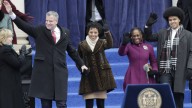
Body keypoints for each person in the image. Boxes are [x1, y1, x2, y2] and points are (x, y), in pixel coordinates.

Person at [3, 1, 88, 108]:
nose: (47, 23)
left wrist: (81, 64)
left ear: (56, 21)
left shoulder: (65, 33)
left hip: (60, 72)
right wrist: (11, 14)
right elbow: (24, 27)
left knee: (62, 104)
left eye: (50, 21)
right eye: (46, 20)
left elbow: (72, 51)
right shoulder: (40, 30)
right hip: (44, 73)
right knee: (46, 104)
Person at [144, 7, 192, 108]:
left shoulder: (188, 35)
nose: (172, 21)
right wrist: (148, 26)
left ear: (179, 20)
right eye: (170, 20)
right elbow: (148, 37)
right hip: (165, 70)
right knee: (165, 93)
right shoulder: (163, 32)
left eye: (174, 19)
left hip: (180, 70)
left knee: (178, 96)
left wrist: (190, 67)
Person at [77, 22, 116, 108]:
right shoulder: (82, 44)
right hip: (88, 76)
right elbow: (78, 60)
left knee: (101, 104)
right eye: (91, 32)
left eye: (95, 32)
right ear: (88, 32)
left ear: (98, 33)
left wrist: (107, 32)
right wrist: (82, 68)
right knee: (89, 104)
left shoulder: (102, 42)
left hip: (102, 75)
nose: (93, 34)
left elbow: (110, 44)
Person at [0, 28, 27, 108]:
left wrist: (22, 55)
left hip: (8, 81)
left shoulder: (5, 49)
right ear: (4, 38)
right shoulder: (5, 50)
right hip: (9, 82)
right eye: (10, 37)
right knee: (10, 102)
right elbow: (17, 63)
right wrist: (23, 54)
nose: (12, 38)